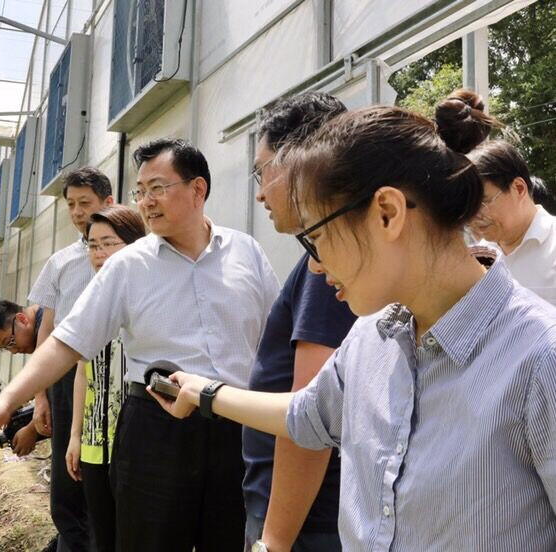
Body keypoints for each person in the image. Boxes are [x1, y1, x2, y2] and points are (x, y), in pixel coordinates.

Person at [152, 105, 556, 550]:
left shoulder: (540, 359)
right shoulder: (372, 335)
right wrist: (204, 392)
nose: (317, 265)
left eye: (316, 236)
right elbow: (308, 415)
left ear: (386, 212)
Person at [0, 138, 280, 551]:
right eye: (140, 192)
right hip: (156, 428)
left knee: (230, 538)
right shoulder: (129, 265)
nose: (146, 202)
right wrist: (5, 402)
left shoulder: (246, 252)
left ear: (198, 189)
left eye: (158, 188)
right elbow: (67, 341)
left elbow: (275, 340)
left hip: (237, 422)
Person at [244, 93, 356, 551]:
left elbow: (310, 416)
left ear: (300, 163)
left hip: (305, 519)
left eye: (262, 170)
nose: (258, 192)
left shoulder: (325, 265)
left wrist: (274, 540)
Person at [28, 167, 114, 551]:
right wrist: (40, 396)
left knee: (106, 470)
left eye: (86, 204)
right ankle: (70, 539)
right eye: (72, 205)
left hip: (114, 377)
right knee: (69, 463)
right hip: (66, 376)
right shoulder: (60, 262)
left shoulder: (131, 254)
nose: (78, 212)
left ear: (107, 203)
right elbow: (46, 332)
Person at [65, 205, 146, 552]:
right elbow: (84, 371)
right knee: (102, 535)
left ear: (135, 245)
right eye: (92, 245)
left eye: (108, 243)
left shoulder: (148, 299)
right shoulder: (89, 301)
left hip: (138, 445)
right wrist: (75, 435)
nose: (99, 254)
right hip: (95, 445)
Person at [447, 92, 556, 305]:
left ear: (519, 188)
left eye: (483, 202)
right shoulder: (478, 259)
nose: (474, 217)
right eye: (469, 207)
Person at [0, 300, 43, 456]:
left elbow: (61, 398)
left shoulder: (49, 328)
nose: (13, 351)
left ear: (22, 319)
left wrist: (32, 430)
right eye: (6, 348)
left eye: (10, 342)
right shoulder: (43, 322)